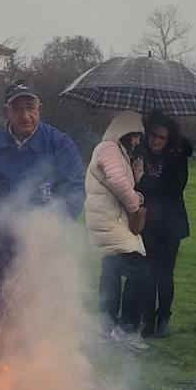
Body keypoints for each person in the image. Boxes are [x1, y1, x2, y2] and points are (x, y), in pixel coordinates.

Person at [0, 79, 86, 334]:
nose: (25, 115)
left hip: (42, 245)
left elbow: (75, 189)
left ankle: (33, 367)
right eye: (17, 108)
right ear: (7, 111)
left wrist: (51, 225)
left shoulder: (59, 144)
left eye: (30, 107)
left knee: (36, 315)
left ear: (40, 108)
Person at [84, 111, 150, 352]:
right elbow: (117, 181)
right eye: (134, 135)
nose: (136, 141)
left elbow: (122, 183)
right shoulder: (108, 148)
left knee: (111, 273)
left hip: (109, 221)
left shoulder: (117, 151)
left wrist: (137, 172)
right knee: (140, 271)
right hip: (110, 222)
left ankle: (105, 327)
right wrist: (136, 203)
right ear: (124, 131)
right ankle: (127, 328)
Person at [134, 112, 192, 339]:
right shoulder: (139, 154)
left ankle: (164, 318)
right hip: (147, 222)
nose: (156, 141)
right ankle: (146, 318)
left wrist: (145, 181)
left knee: (165, 273)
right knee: (147, 272)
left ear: (169, 140)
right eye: (153, 135)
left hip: (170, 223)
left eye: (161, 137)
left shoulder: (177, 158)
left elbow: (174, 188)